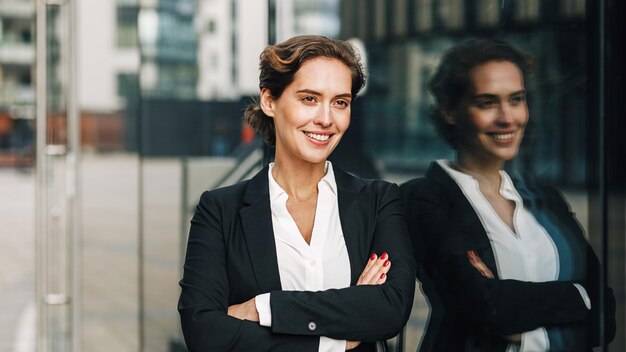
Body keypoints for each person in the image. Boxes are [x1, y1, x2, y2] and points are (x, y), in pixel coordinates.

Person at [178, 35, 416, 352]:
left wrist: (264, 308)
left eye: (340, 102)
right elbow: (204, 333)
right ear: (269, 101)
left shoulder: (379, 201)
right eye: (309, 99)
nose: (326, 118)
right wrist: (335, 338)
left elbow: (389, 309)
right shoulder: (220, 211)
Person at [400, 38, 615, 351]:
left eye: (516, 100)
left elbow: (606, 317)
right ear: (450, 111)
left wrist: (525, 328)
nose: (507, 118)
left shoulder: (545, 198)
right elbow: (488, 309)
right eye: (487, 102)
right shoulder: (424, 199)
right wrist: (578, 296)